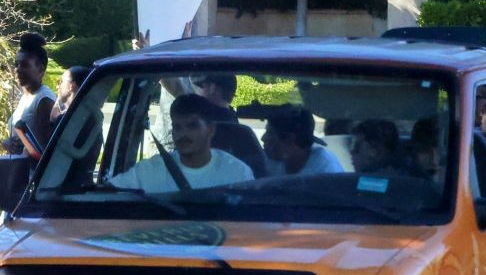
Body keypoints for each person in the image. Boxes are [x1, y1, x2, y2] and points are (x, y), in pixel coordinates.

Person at [110, 94, 254, 193]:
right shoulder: (149, 171)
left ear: (211, 129)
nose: (183, 134)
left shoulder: (237, 174)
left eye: (192, 126)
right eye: (177, 127)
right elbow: (107, 194)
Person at [191, 74, 267, 177]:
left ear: (212, 88)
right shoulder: (242, 131)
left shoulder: (201, 126)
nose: (196, 93)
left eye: (201, 87)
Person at [3, 32, 55, 154]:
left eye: (25, 65)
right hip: (20, 170)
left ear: (41, 69)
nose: (18, 70)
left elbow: (46, 150)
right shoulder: (27, 97)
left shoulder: (44, 100)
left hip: (32, 172)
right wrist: (6, 143)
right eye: (17, 64)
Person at [262, 107, 344, 176]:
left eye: (270, 133)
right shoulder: (267, 160)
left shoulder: (326, 169)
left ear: (290, 140)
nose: (263, 138)